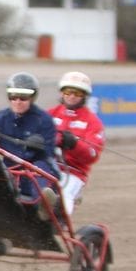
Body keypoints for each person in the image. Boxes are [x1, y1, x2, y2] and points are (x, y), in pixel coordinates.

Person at [0, 71, 60, 219]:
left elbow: (48, 151)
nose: (17, 101)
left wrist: (35, 147)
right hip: (9, 168)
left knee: (39, 169)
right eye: (13, 97)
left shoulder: (44, 120)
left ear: (32, 98)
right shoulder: (0, 118)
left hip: (37, 166)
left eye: (23, 97)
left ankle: (43, 202)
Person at [48, 71, 105, 215]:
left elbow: (92, 155)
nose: (72, 96)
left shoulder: (93, 122)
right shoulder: (49, 114)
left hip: (73, 173)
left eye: (77, 93)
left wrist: (73, 144)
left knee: (63, 197)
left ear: (85, 96)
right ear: (62, 93)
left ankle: (57, 222)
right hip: (46, 166)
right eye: (68, 92)